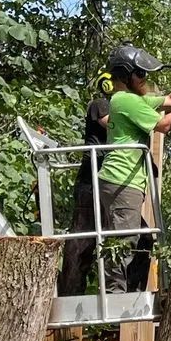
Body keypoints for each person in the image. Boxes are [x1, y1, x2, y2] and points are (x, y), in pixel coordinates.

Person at [99, 44, 171, 294]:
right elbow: (165, 124)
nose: (145, 79)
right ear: (127, 75)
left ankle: (131, 292)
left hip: (125, 180)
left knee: (143, 239)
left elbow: (168, 100)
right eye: (141, 74)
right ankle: (115, 293)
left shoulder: (130, 99)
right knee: (124, 239)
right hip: (122, 179)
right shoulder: (125, 100)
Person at [57, 70, 113, 297]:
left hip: (107, 181)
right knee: (82, 241)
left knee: (138, 236)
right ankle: (69, 294)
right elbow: (112, 124)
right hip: (90, 182)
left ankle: (124, 290)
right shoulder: (99, 104)